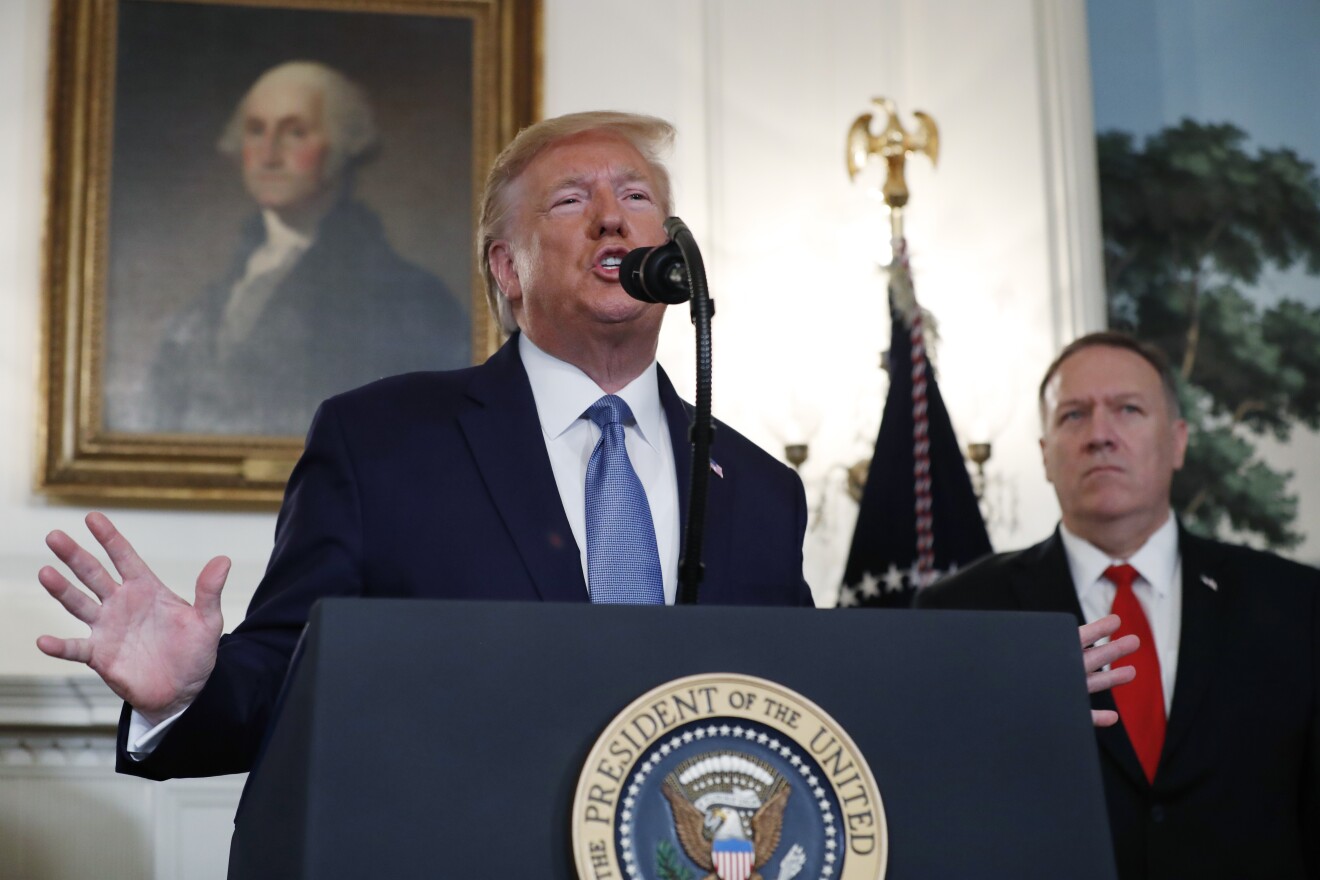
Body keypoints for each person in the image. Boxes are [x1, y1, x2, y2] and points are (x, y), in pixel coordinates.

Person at [36, 111, 817, 781]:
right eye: (572, 200)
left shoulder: (760, 488)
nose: (613, 217)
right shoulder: (380, 444)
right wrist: (184, 693)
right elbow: (291, 675)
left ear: (671, 254)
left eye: (637, 197)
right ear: (508, 269)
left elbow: (803, 707)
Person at [915, 331, 1320, 879]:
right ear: (1044, 455)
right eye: (1073, 416)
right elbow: (937, 805)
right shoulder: (959, 613)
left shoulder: (1294, 603)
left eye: (1127, 410)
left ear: (1177, 442)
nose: (1100, 436)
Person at [146, 60, 470, 435]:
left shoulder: (408, 298)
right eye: (255, 130)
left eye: (295, 132)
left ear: (342, 146)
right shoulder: (217, 294)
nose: (268, 154)